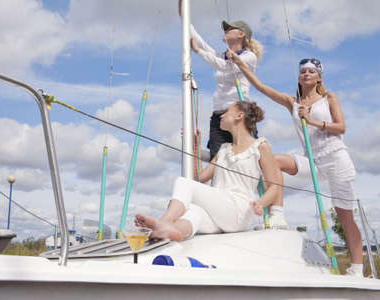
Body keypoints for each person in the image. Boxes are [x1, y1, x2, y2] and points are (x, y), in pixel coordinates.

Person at [228, 54, 363, 277]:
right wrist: (240, 64)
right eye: (303, 71)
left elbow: (341, 128)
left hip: (336, 157)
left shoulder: (329, 98)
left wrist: (311, 121)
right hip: (312, 160)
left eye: (312, 71)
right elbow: (261, 87)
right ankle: (277, 215)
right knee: (271, 161)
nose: (306, 74)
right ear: (299, 77)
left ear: (319, 77)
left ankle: (357, 268)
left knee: (344, 215)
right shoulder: (292, 102)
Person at [135, 101, 284, 241]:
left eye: (226, 111)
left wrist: (260, 203)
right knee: (193, 211)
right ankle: (172, 231)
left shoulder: (260, 146)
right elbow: (200, 177)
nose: (222, 115)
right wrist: (195, 147)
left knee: (182, 182)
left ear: (239, 116)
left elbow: (274, 186)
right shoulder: (224, 149)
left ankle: (163, 222)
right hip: (221, 212)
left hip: (240, 210)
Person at [178, 0, 263, 159]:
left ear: (241, 34)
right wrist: (184, 15)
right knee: (217, 160)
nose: (225, 30)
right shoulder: (222, 56)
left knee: (247, 158)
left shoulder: (249, 57)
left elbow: (225, 66)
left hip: (240, 114)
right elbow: (201, 43)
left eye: (229, 28)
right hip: (219, 117)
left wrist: (197, 52)